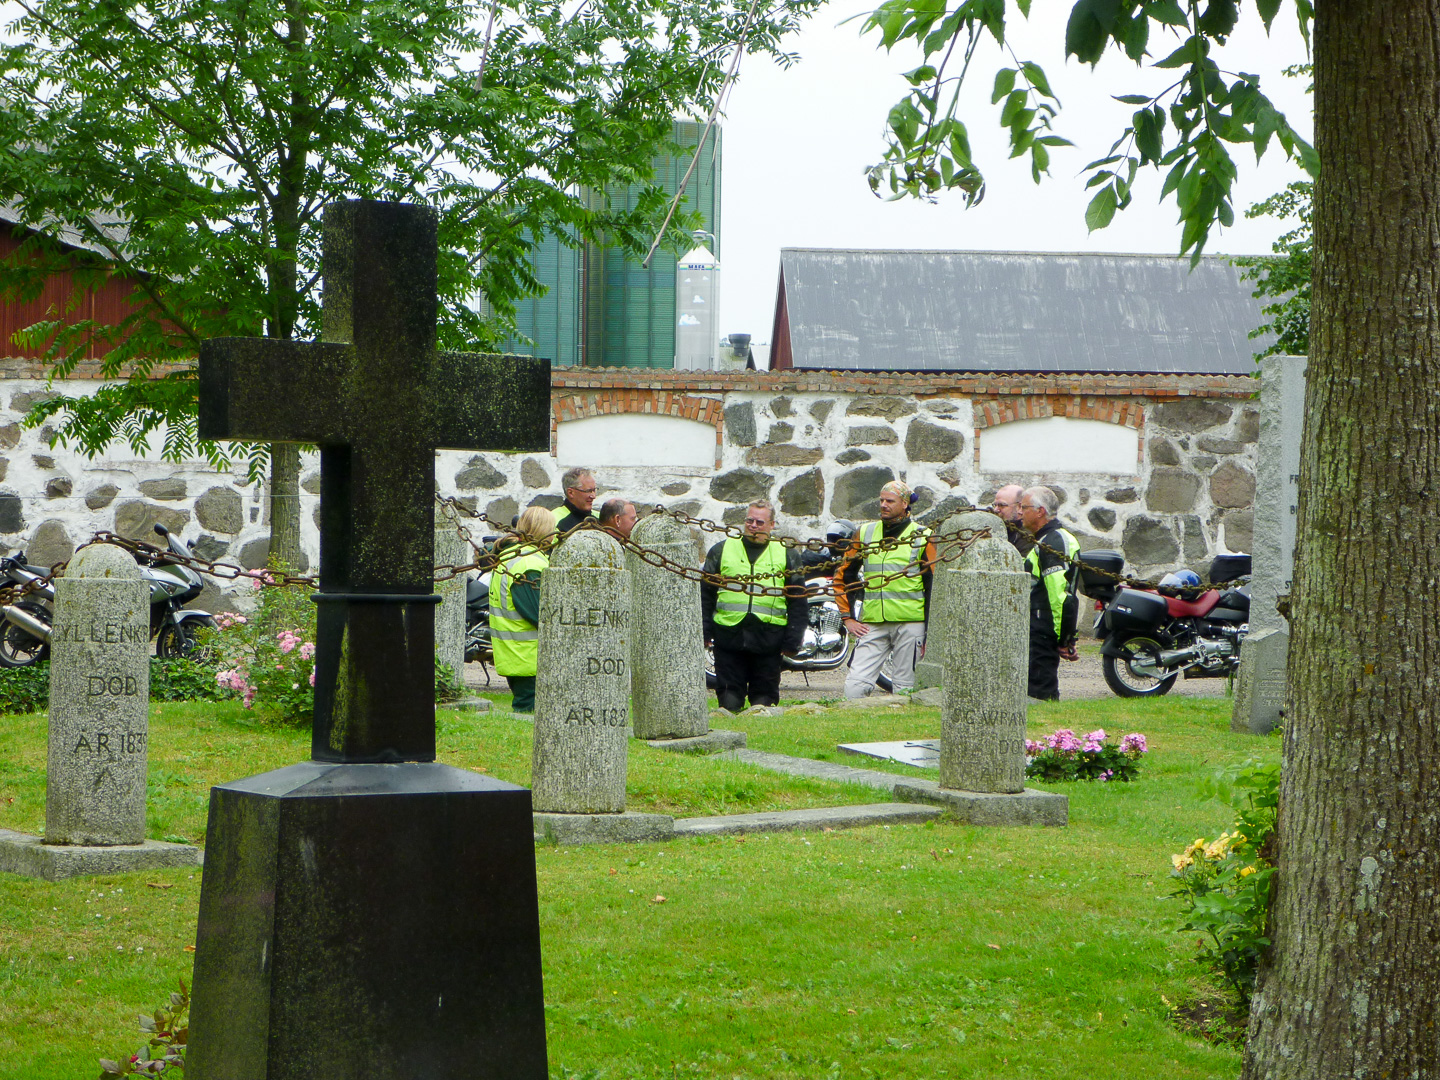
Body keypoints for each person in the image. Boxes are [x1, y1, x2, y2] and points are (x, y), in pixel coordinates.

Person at [701, 499, 806, 712]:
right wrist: (704, 630)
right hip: (729, 636)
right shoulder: (722, 550)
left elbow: (798, 600)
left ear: (772, 525)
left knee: (763, 701)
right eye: (749, 521)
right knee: (729, 701)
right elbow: (705, 595)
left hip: (769, 638)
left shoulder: (787, 554)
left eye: (759, 522)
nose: (753, 526)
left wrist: (793, 639)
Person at [835, 480, 937, 697]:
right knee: (854, 687)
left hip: (910, 624)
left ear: (905, 504)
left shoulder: (923, 536)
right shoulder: (865, 533)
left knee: (904, 688)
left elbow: (934, 587)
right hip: (873, 623)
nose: (883, 505)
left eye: (890, 501)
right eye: (881, 500)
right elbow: (844, 575)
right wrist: (848, 618)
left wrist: (930, 633)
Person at [1019, 485, 1081, 701]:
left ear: (1040, 511)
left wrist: (1063, 640)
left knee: (1040, 695)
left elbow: (1060, 597)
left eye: (1023, 507)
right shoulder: (1045, 539)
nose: (1019, 512)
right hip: (1038, 627)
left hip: (1042, 631)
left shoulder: (1055, 541)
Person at [491, 506, 555, 713]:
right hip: (530, 657)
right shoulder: (529, 563)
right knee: (531, 712)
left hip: (516, 654)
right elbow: (539, 614)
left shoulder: (510, 556)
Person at [551, 467, 598, 535]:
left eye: (594, 490)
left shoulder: (600, 517)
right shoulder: (553, 520)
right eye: (588, 491)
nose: (593, 496)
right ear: (570, 493)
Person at [991, 483, 1031, 553]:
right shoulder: (995, 530)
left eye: (1001, 505)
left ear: (1020, 507)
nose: (996, 510)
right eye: (995, 505)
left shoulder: (1026, 537)